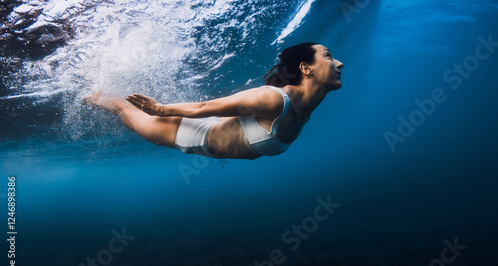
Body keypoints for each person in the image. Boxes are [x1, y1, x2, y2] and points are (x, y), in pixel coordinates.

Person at [82, 43, 344, 160]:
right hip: (191, 133)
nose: (339, 63)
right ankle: (98, 96)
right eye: (329, 56)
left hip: (219, 127)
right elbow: (205, 107)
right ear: (306, 68)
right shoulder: (272, 99)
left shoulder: (305, 106)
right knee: (126, 111)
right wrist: (159, 109)